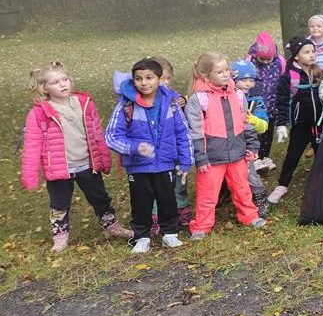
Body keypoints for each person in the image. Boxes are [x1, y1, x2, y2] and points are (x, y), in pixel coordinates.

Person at [22, 61, 131, 252]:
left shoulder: (84, 104)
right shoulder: (40, 113)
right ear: (44, 88)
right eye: (56, 82)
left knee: (100, 197)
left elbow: (97, 133)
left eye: (65, 79)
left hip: (86, 164)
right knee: (60, 203)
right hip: (59, 168)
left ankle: (111, 226)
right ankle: (60, 235)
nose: (63, 84)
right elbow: (32, 145)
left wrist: (103, 158)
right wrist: (30, 176)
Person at [105, 58, 193, 252]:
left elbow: (182, 132)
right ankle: (141, 236)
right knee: (141, 202)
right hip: (139, 167)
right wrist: (135, 148)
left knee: (167, 200)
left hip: (165, 164)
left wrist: (186, 161)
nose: (144, 83)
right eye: (138, 78)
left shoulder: (170, 103)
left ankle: (170, 233)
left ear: (160, 79)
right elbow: (111, 136)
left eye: (149, 78)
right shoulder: (126, 105)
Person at [184, 52, 264, 239]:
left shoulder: (237, 94)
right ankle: (201, 226)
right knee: (207, 194)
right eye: (219, 72)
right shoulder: (199, 99)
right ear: (206, 76)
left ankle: (249, 216)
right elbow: (195, 131)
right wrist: (200, 157)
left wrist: (252, 147)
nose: (225, 74)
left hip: (237, 153)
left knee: (242, 188)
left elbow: (245, 122)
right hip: (211, 157)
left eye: (227, 70)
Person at [267, 37, 323, 205]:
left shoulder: (319, 72)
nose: (311, 55)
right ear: (296, 56)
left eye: (313, 51)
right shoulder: (288, 77)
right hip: (300, 125)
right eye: (306, 52)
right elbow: (282, 102)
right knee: (293, 155)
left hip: (319, 124)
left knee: (322, 153)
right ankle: (282, 185)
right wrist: (282, 124)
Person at [231, 60, 271, 218]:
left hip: (246, 144)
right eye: (243, 79)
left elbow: (264, 125)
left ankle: (260, 198)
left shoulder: (255, 100)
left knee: (250, 173)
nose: (248, 83)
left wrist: (253, 120)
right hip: (227, 143)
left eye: (251, 80)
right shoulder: (226, 96)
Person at [246, 31, 286, 170]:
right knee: (256, 133)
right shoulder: (250, 62)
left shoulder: (280, 62)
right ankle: (255, 157)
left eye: (268, 59)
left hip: (273, 103)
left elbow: (282, 79)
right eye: (262, 59)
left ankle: (264, 157)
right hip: (257, 104)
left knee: (268, 133)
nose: (265, 62)